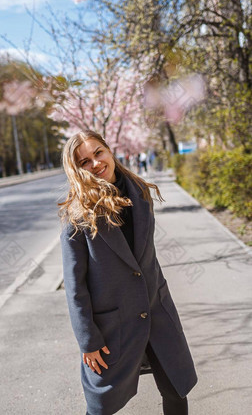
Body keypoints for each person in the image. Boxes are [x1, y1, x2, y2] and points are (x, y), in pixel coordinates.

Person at [59, 130, 198, 415]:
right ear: (76, 169)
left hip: (157, 312)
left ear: (109, 151)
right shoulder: (78, 216)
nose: (96, 163)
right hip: (113, 326)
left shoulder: (140, 193)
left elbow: (146, 258)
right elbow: (76, 287)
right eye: (84, 161)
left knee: (175, 389)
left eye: (98, 153)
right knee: (101, 406)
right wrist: (88, 341)